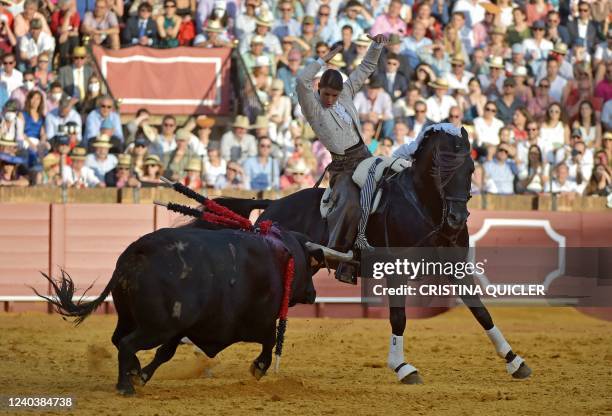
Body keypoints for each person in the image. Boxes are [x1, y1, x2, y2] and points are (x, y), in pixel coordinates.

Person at [296, 32, 388, 283]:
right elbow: (301, 79)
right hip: (344, 166)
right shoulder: (312, 105)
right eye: (326, 94)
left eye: (333, 96)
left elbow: (366, 67)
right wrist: (322, 60)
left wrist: (377, 45)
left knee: (395, 186)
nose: (329, 99)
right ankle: (341, 260)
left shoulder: (345, 93)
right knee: (351, 203)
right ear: (319, 89)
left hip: (366, 156)